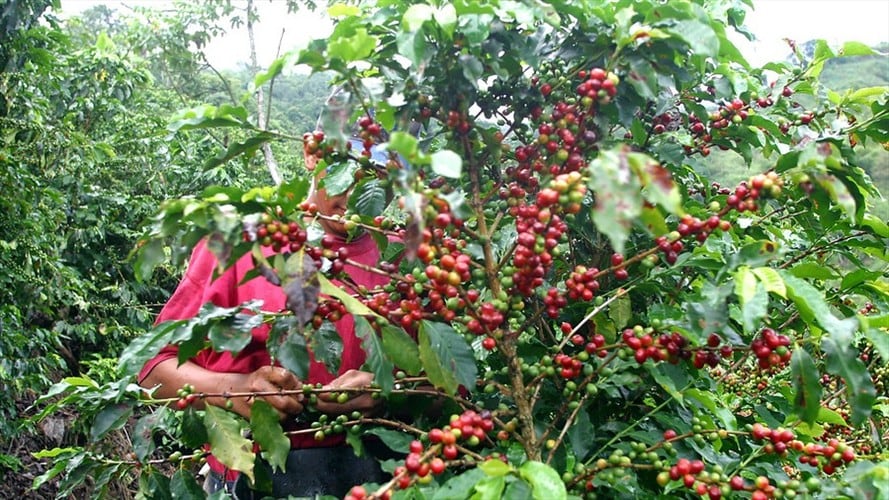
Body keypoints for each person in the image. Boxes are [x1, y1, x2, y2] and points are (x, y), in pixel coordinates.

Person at [138, 128, 399, 497]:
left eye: (380, 176)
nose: (359, 191)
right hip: (254, 475)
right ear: (312, 154)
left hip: (374, 472)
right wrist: (235, 390)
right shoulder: (240, 241)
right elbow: (153, 368)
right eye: (346, 168)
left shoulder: (403, 259)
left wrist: (389, 389)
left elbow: (447, 391)